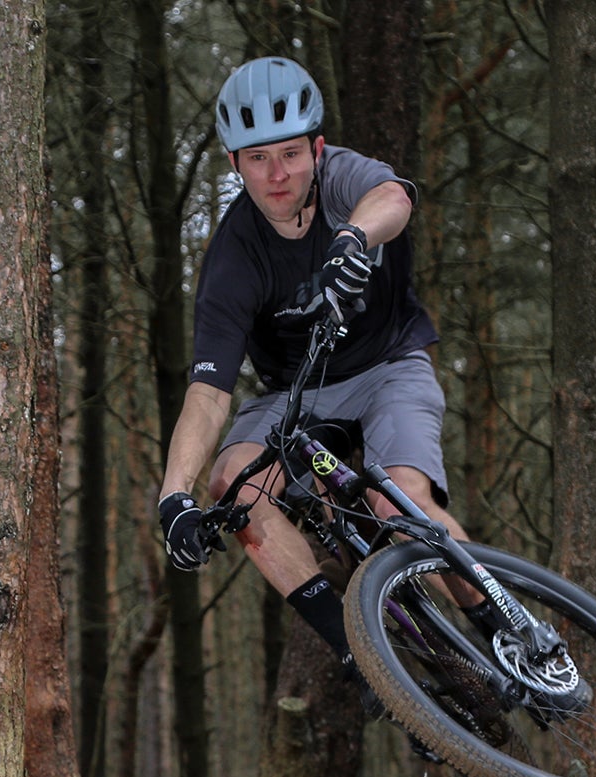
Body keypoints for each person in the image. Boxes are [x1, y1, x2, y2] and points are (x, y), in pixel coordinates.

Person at [153, 55, 484, 680]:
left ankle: (502, 627)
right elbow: (208, 393)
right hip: (300, 393)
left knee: (401, 508)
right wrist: (174, 494)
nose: (277, 174)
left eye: (291, 154)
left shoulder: (340, 179)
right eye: (257, 158)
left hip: (390, 366)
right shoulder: (234, 258)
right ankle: (360, 657)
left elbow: (393, 197)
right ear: (234, 164)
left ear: (318, 148)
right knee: (232, 482)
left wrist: (353, 239)